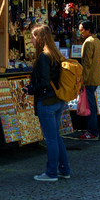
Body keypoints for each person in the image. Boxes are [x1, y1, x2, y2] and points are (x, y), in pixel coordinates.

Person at [24, 25, 70, 182]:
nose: (30, 40)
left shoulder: (44, 56)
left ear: (39, 38)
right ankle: (64, 169)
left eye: (32, 37)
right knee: (56, 136)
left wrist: (30, 89)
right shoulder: (55, 54)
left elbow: (43, 81)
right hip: (58, 100)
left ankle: (51, 173)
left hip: (47, 101)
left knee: (50, 139)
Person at [78, 20, 100, 140]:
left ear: (88, 30)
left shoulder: (88, 42)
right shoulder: (97, 41)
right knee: (91, 105)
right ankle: (92, 130)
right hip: (95, 77)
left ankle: (92, 131)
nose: (80, 32)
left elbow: (86, 63)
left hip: (89, 78)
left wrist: (82, 80)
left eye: (82, 30)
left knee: (90, 106)